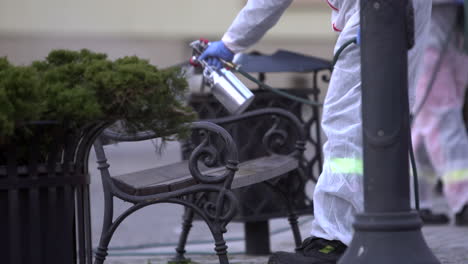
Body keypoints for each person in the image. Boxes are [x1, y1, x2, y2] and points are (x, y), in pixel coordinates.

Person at [199, 1, 431, 263]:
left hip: (378, 8)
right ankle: (381, 225)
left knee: (347, 121)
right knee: (383, 113)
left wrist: (231, 42)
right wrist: (232, 42)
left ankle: (333, 241)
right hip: (388, 8)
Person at [412, 0, 468, 226]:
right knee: (442, 116)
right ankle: (463, 200)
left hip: (453, 26)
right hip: (429, 24)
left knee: (427, 125)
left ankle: (415, 201)